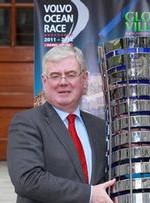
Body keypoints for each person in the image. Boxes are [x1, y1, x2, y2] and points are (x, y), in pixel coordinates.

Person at [7, 45, 115, 203]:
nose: (63, 82)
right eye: (55, 76)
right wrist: (89, 194)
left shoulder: (99, 127)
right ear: (44, 82)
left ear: (84, 79)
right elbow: (27, 180)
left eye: (71, 74)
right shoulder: (26, 123)